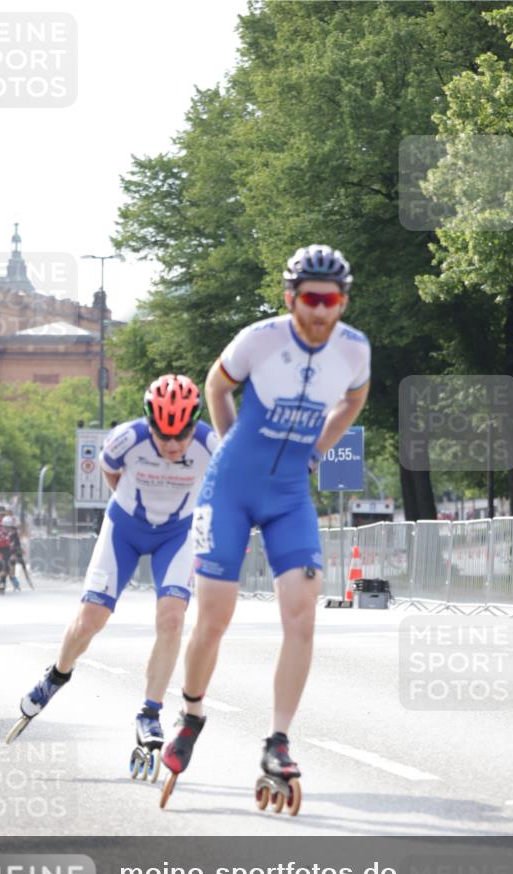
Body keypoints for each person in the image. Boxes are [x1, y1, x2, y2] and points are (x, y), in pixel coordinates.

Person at [161, 245, 371, 805]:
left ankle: (278, 740)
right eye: (310, 298)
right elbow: (216, 385)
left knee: (303, 616)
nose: (321, 310)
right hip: (228, 490)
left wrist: (317, 451)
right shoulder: (261, 338)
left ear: (343, 301)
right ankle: (191, 711)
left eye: (332, 300)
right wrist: (229, 444)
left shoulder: (354, 350)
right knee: (214, 620)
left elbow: (353, 401)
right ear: (291, 297)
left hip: (288, 495)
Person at [10, 375, 217, 756]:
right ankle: (57, 674)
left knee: (172, 619)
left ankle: (149, 712)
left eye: (181, 435)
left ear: (194, 423)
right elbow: (109, 470)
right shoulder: (126, 438)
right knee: (92, 618)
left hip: (178, 533)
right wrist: (129, 503)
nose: (172, 445)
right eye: (162, 434)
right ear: (148, 423)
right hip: (124, 527)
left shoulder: (210, 445)